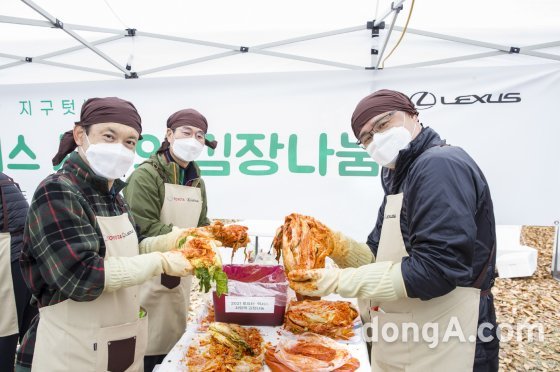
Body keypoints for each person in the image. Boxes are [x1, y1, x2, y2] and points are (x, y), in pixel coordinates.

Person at [289, 89, 498, 371]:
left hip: (452, 332)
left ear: (412, 115)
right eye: (366, 137)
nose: (376, 138)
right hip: (412, 332)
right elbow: (379, 255)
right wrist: (338, 245)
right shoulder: (398, 174)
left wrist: (339, 282)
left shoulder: (439, 165)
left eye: (383, 124)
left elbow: (437, 269)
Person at [15, 97, 195, 372]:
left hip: (116, 342)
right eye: (109, 136)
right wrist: (161, 261)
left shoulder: (114, 197)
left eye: (129, 142)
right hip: (70, 351)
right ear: (80, 135)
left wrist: (171, 241)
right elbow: (81, 277)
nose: (119, 148)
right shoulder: (58, 192)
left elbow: (130, 249)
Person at [123, 108, 217, 371]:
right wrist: (189, 238)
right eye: (186, 132)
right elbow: (142, 227)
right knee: (146, 345)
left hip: (181, 273)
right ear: (169, 134)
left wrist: (213, 238)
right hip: (149, 272)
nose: (193, 140)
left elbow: (202, 223)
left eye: (200, 136)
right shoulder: (147, 175)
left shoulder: (196, 179)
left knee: (172, 343)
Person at [0, 173, 38, 372]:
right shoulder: (5, 180)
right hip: (23, 253)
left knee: (6, 333)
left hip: (10, 256)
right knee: (27, 330)